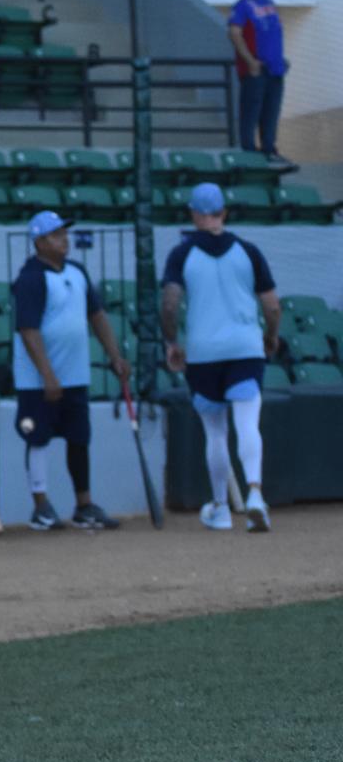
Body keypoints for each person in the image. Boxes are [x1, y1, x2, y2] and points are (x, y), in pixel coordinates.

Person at [161, 183, 281, 533]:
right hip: (245, 349)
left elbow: (169, 304)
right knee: (248, 424)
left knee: (215, 432)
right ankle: (255, 494)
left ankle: (221, 507)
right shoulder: (248, 251)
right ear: (223, 213)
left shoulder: (182, 253)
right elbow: (272, 306)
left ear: (193, 214)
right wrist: (271, 336)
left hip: (204, 354)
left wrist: (172, 342)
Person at [11, 210, 129, 532]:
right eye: (56, 235)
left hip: (75, 374)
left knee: (79, 438)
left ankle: (84, 505)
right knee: (38, 438)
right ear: (39, 242)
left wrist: (115, 356)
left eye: (64, 233)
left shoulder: (77, 272)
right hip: (38, 381)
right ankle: (41, 506)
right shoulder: (30, 278)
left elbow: (97, 316)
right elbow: (28, 330)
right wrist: (47, 375)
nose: (64, 239)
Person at [227, 0, 289, 163]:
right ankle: (249, 153)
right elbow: (234, 33)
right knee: (251, 112)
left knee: (271, 112)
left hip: (275, 68)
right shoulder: (242, 5)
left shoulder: (268, 1)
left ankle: (269, 149)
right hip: (256, 69)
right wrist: (250, 61)